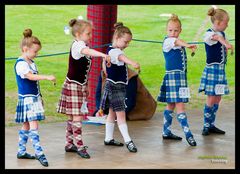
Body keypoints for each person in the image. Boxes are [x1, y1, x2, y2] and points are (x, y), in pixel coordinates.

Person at [57, 18, 110, 159]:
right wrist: (103, 55)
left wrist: (87, 85)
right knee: (77, 117)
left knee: (72, 117)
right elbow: (87, 51)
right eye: (88, 34)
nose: (90, 36)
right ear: (78, 34)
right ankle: (79, 146)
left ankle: (69, 144)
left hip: (79, 85)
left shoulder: (82, 44)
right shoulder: (78, 46)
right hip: (73, 85)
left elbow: (84, 69)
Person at [14, 29, 56, 167]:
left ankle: (21, 151)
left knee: (26, 124)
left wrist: (40, 97)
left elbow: (34, 82)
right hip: (27, 99)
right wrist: (46, 76)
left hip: (33, 98)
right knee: (33, 125)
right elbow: (30, 77)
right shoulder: (21, 64)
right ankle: (39, 152)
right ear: (25, 49)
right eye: (35, 51)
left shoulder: (30, 62)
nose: (36, 54)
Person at [157, 14, 197, 146]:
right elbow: (177, 42)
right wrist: (188, 45)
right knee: (180, 105)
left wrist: (186, 45)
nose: (173, 33)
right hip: (173, 77)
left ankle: (166, 132)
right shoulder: (168, 41)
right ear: (166, 30)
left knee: (171, 105)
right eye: (170, 30)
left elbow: (178, 43)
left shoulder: (176, 41)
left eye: (176, 30)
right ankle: (188, 134)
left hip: (180, 78)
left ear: (180, 30)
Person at [100, 22, 140, 153]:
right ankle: (128, 140)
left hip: (112, 85)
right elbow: (121, 57)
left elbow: (105, 68)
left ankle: (108, 138)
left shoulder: (109, 50)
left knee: (112, 113)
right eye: (125, 42)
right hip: (116, 87)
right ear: (117, 38)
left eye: (128, 42)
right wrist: (133, 62)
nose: (127, 45)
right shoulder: (115, 51)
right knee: (121, 115)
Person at [199, 7, 234, 136]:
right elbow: (215, 38)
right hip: (212, 71)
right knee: (211, 97)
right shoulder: (209, 34)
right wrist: (224, 43)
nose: (227, 25)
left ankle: (211, 124)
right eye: (226, 22)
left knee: (218, 98)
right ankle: (206, 126)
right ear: (218, 23)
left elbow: (221, 40)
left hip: (220, 71)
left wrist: (228, 47)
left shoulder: (222, 34)